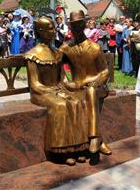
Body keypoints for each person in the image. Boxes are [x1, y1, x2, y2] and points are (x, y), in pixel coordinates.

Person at [25, 16, 90, 166]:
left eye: (54, 28)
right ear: (40, 30)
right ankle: (62, 150)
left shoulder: (57, 53)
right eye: (50, 28)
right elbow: (34, 84)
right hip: (40, 93)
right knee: (60, 105)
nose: (54, 31)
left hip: (57, 89)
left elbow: (62, 78)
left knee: (77, 102)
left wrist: (68, 87)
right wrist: (54, 91)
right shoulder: (32, 55)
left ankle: (77, 147)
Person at [59, 10, 112, 156]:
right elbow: (58, 72)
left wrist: (96, 82)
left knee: (91, 91)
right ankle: (99, 140)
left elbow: (104, 71)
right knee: (83, 94)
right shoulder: (65, 48)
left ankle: (94, 138)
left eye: (78, 24)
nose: (76, 28)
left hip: (96, 86)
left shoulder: (95, 47)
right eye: (73, 25)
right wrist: (66, 83)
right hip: (76, 87)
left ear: (84, 25)